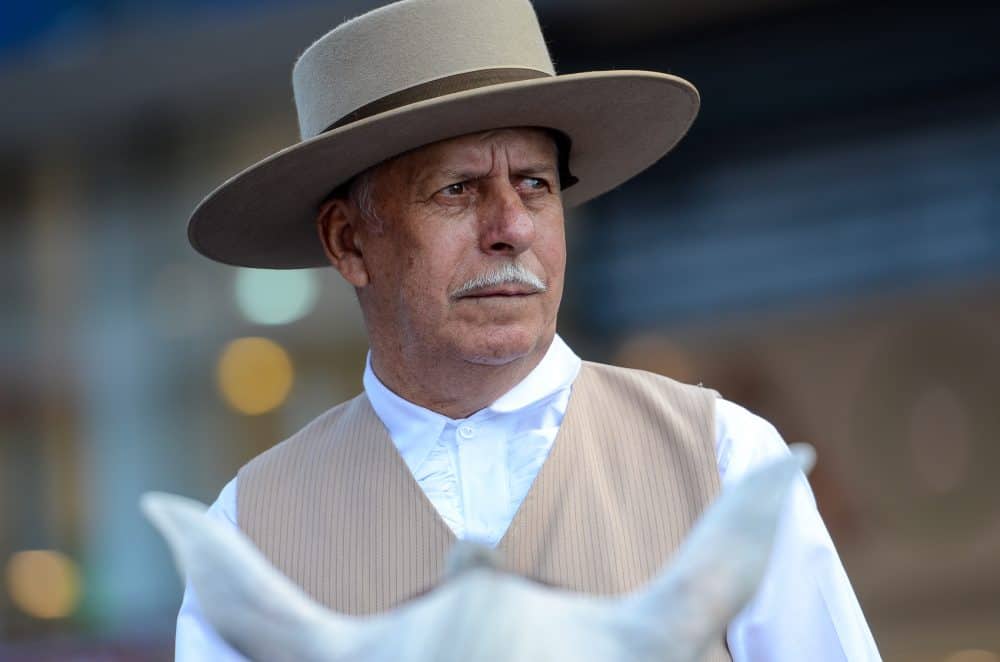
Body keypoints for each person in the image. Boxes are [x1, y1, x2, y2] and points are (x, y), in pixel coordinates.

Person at [176, 0, 881, 659]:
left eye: (535, 184)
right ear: (349, 243)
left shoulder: (725, 459)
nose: (512, 227)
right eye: (457, 189)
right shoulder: (249, 531)